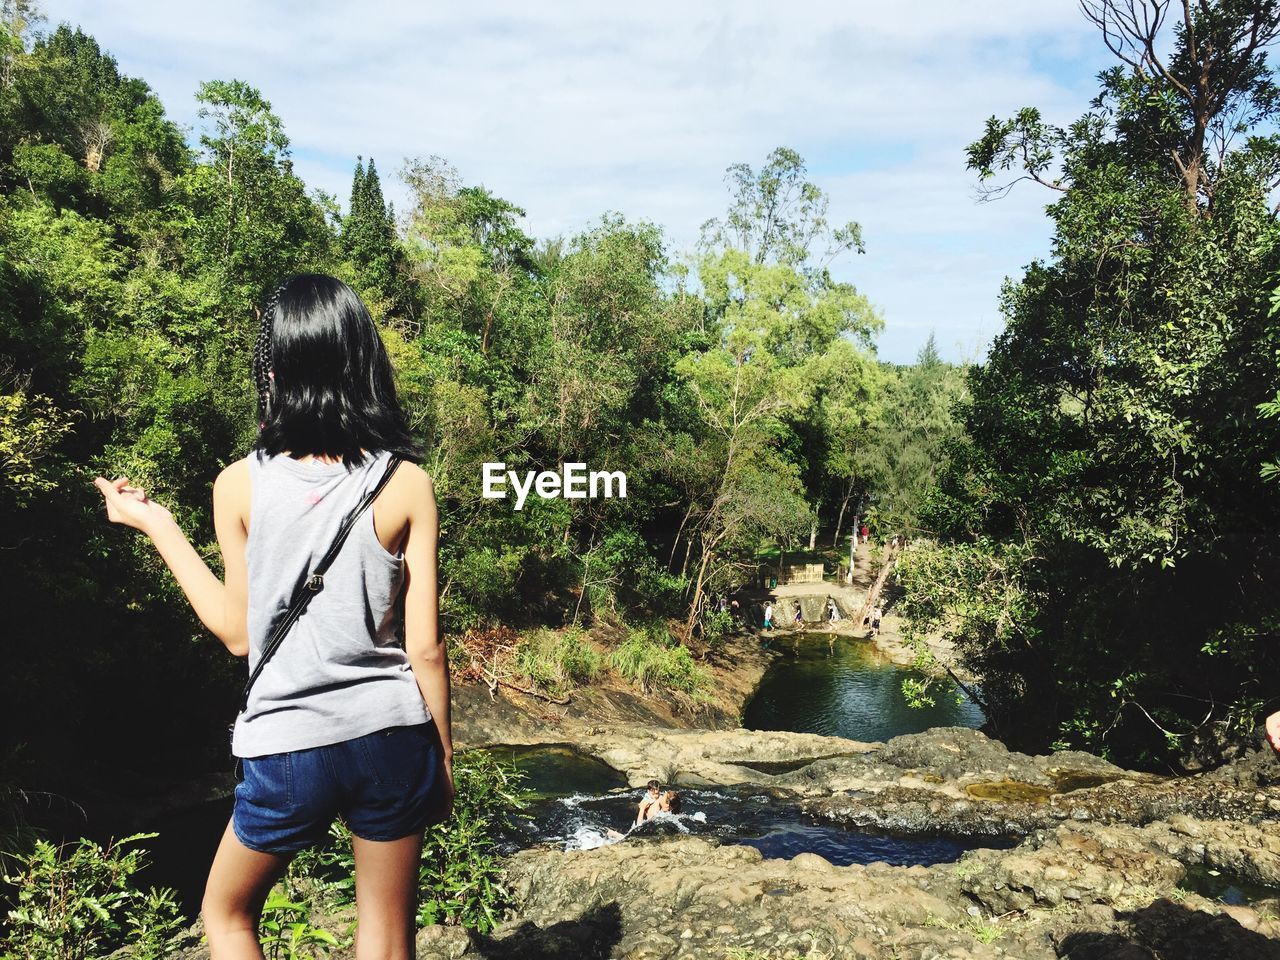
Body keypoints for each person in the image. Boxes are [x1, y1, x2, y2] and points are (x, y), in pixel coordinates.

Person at [94, 274, 453, 960]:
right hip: (390, 732)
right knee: (385, 932)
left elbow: (237, 633)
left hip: (288, 744)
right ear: (364, 363)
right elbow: (426, 648)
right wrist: (440, 759)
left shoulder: (239, 483)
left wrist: (157, 525)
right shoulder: (407, 482)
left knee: (226, 915)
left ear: (273, 371)